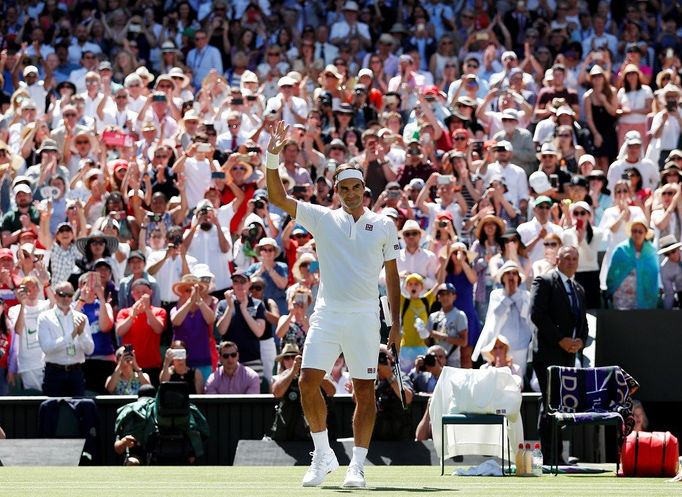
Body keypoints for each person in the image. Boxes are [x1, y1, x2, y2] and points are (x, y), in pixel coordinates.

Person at [266, 120, 401, 488]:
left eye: (357, 187)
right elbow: (277, 198)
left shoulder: (384, 225)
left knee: (364, 391)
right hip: (327, 314)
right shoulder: (322, 217)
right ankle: (323, 453)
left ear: (365, 190)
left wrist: (397, 328)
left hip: (364, 318)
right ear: (337, 191)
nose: (352, 192)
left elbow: (392, 279)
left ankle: (357, 465)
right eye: (345, 188)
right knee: (308, 381)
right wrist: (272, 155)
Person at [530, 246, 588, 462]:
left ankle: (559, 456)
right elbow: (537, 315)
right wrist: (560, 340)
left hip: (569, 355)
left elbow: (583, 323)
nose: (571, 262)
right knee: (550, 403)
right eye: (567, 258)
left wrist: (580, 341)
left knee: (562, 405)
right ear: (557, 260)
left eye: (575, 258)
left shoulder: (579, 289)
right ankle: (549, 457)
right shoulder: (544, 281)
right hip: (547, 354)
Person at [474, 261, 532, 379]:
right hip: (501, 346)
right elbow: (497, 313)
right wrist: (508, 295)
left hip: (521, 345)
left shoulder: (525, 294)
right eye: (508, 273)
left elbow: (525, 313)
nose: (511, 276)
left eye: (514, 273)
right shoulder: (495, 294)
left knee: (518, 378)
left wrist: (514, 294)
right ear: (503, 277)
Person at [37, 282, 94, 397]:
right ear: (55, 295)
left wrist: (81, 334)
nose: (66, 298)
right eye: (62, 294)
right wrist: (71, 336)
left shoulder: (81, 317)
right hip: (54, 372)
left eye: (69, 295)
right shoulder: (45, 317)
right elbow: (47, 348)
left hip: (76, 372)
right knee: (52, 411)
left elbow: (90, 350)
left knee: (78, 411)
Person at [606, 219, 660, 310]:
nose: (637, 234)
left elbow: (654, 274)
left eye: (640, 231)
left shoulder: (651, 251)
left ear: (645, 233)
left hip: (645, 294)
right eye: (634, 231)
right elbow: (613, 271)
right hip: (622, 295)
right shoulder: (621, 249)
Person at [425, 283, 468, 368]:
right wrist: (423, 334)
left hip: (452, 361)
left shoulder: (459, 315)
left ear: (454, 296)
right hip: (435, 362)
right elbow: (427, 342)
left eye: (448, 294)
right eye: (442, 294)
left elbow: (463, 342)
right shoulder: (433, 317)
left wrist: (441, 336)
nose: (445, 297)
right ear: (438, 297)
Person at [658, 235, 682, 309]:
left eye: (673, 251)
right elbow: (669, 293)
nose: (671, 255)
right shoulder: (664, 268)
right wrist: (667, 312)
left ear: (678, 249)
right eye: (667, 254)